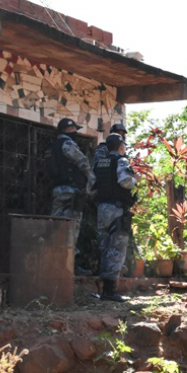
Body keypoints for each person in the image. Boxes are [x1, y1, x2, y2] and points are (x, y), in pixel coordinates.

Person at [93, 134, 139, 302]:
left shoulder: (100, 163)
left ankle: (104, 290)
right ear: (120, 147)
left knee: (104, 247)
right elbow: (125, 181)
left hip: (102, 209)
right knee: (117, 248)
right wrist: (136, 180)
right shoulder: (121, 161)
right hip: (117, 210)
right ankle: (110, 291)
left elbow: (92, 186)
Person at [49, 118, 96, 273]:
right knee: (71, 227)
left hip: (58, 190)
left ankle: (55, 263)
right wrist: (91, 182)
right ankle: (70, 265)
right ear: (69, 130)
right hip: (70, 191)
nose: (76, 132)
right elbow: (82, 162)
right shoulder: (67, 144)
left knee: (56, 226)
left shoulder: (52, 147)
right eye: (74, 129)